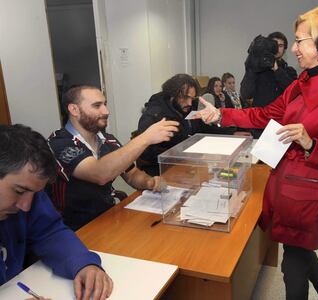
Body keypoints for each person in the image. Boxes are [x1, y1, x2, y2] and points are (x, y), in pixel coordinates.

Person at [196, 5, 318, 299]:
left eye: (300, 41)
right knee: (300, 255)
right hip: (284, 186)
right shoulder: (300, 84)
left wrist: (312, 144)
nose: (293, 49)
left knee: (293, 266)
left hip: (308, 196)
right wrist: (221, 115)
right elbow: (264, 115)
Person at [0, 124, 113, 300]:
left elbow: (50, 232)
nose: (26, 206)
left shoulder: (27, 195)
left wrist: (83, 264)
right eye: (19, 191)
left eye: (35, 194)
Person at [48, 85, 179, 230]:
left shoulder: (108, 140)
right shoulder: (59, 142)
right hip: (74, 229)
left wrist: (149, 182)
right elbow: (99, 174)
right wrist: (145, 138)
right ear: (74, 110)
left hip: (108, 217)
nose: (106, 111)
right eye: (97, 106)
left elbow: (131, 174)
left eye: (105, 104)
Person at [136, 74, 237, 176]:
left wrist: (232, 132)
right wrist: (179, 155)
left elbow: (201, 127)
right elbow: (145, 151)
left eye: (192, 98)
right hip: (161, 173)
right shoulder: (154, 114)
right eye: (185, 97)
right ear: (172, 95)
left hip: (186, 167)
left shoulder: (186, 107)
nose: (189, 103)